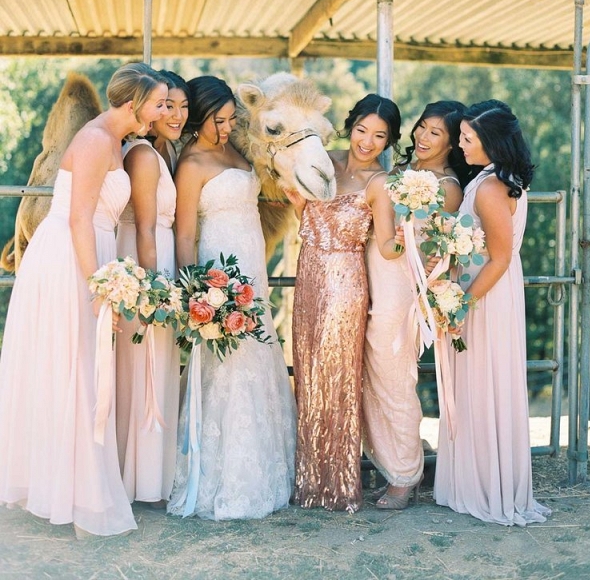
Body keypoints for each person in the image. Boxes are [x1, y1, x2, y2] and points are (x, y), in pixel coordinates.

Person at [0, 62, 169, 538]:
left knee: (84, 368)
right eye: (157, 103)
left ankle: (74, 487)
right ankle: (78, 494)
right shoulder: (96, 141)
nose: (161, 111)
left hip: (90, 254)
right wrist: (98, 286)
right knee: (76, 367)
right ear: (134, 102)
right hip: (71, 258)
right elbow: (78, 219)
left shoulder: (114, 141)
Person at [167, 75, 296, 521]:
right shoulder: (192, 163)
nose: (225, 128)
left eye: (228, 119)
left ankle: (266, 471)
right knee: (227, 366)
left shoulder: (237, 150)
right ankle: (225, 477)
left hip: (253, 266)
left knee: (258, 355)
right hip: (218, 270)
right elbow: (184, 233)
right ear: (198, 119)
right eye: (216, 121)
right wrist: (194, 294)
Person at [433, 99, 551, 526]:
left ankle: (486, 486)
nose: (460, 144)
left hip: (486, 294)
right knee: (479, 383)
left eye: (467, 138)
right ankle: (478, 480)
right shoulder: (494, 179)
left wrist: (463, 303)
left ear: (492, 142)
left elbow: (499, 257)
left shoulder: (490, 187)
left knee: (484, 382)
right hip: (484, 289)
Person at [287, 94, 403, 512]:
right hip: (309, 275)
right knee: (308, 372)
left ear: (388, 141)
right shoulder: (322, 161)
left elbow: (387, 244)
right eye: (361, 130)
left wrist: (409, 244)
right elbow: (300, 206)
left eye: (379, 136)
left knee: (337, 377)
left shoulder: (380, 183)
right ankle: (309, 480)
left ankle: (336, 485)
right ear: (349, 125)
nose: (367, 142)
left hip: (346, 283)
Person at [363, 100, 467, 509]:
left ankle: (406, 476)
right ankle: (392, 467)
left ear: (452, 142)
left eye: (435, 132)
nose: (423, 137)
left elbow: (441, 248)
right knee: (375, 379)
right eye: (422, 127)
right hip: (374, 281)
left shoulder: (448, 187)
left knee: (395, 381)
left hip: (401, 291)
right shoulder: (403, 174)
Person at [115, 70, 190, 506]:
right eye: (166, 105)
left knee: (156, 368)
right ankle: (136, 479)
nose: (174, 114)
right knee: (141, 367)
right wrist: (152, 292)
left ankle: (149, 478)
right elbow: (144, 228)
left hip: (156, 261)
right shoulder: (143, 155)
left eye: (181, 107)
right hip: (147, 265)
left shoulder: (163, 153)